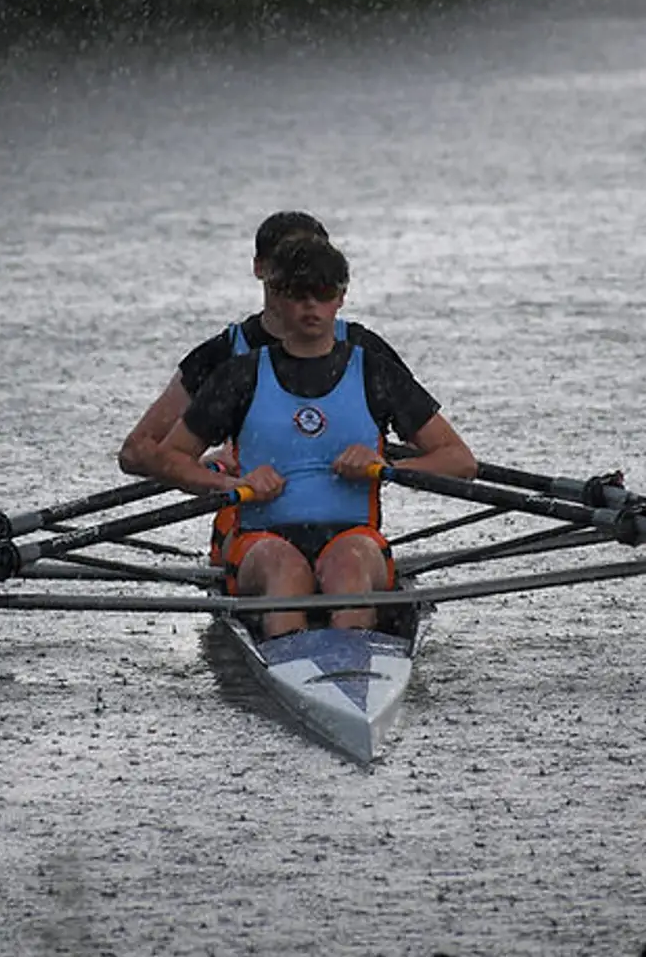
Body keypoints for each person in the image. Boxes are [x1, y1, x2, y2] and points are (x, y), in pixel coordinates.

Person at [146, 237, 477, 637]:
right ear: (278, 298)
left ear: (341, 298)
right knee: (284, 569)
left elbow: (459, 459)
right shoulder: (239, 377)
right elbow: (168, 458)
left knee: (348, 566)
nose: (311, 307)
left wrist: (385, 467)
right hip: (260, 542)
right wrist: (231, 484)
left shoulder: (376, 373)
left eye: (323, 294)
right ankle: (297, 649)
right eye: (299, 294)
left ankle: (349, 657)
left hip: (354, 539)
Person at [116, 210, 423, 557]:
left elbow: (436, 450)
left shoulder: (365, 353)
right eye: (292, 266)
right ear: (261, 269)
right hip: (250, 523)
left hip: (345, 529)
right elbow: (137, 452)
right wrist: (214, 471)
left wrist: (376, 460)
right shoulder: (223, 356)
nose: (305, 276)